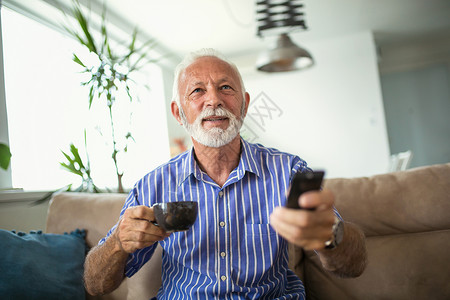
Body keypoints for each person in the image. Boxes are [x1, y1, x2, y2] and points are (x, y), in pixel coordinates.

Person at [84, 48, 367, 299]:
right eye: (197, 91)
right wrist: (117, 244)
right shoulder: (152, 186)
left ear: (243, 104)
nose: (214, 100)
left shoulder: (288, 172)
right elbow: (96, 285)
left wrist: (330, 234)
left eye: (225, 88)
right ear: (178, 112)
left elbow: (353, 265)